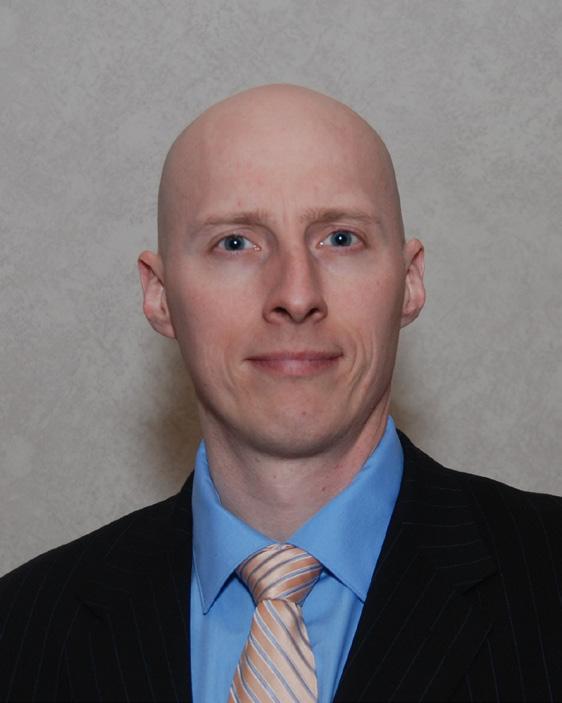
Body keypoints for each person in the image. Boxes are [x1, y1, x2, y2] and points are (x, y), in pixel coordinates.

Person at [0, 84, 561, 703]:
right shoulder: (21, 633)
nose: (296, 295)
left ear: (409, 282)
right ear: (159, 295)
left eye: (340, 238)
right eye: (235, 243)